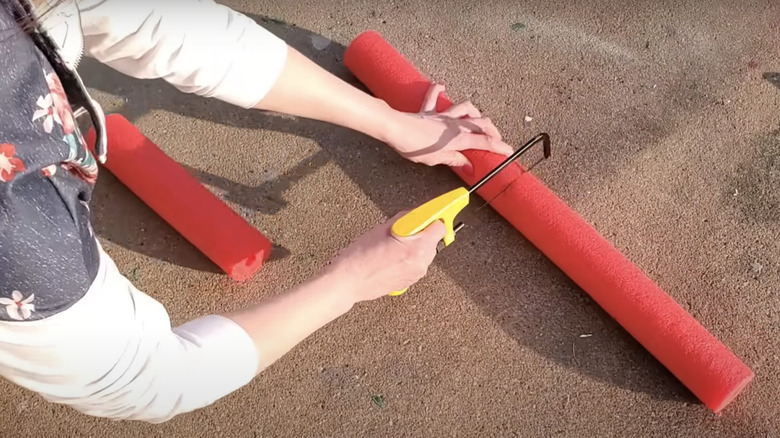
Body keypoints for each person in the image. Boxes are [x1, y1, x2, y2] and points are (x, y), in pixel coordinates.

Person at [0, 0, 513, 423]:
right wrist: (351, 281)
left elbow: (162, 26)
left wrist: (389, 121)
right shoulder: (24, 229)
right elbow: (142, 381)